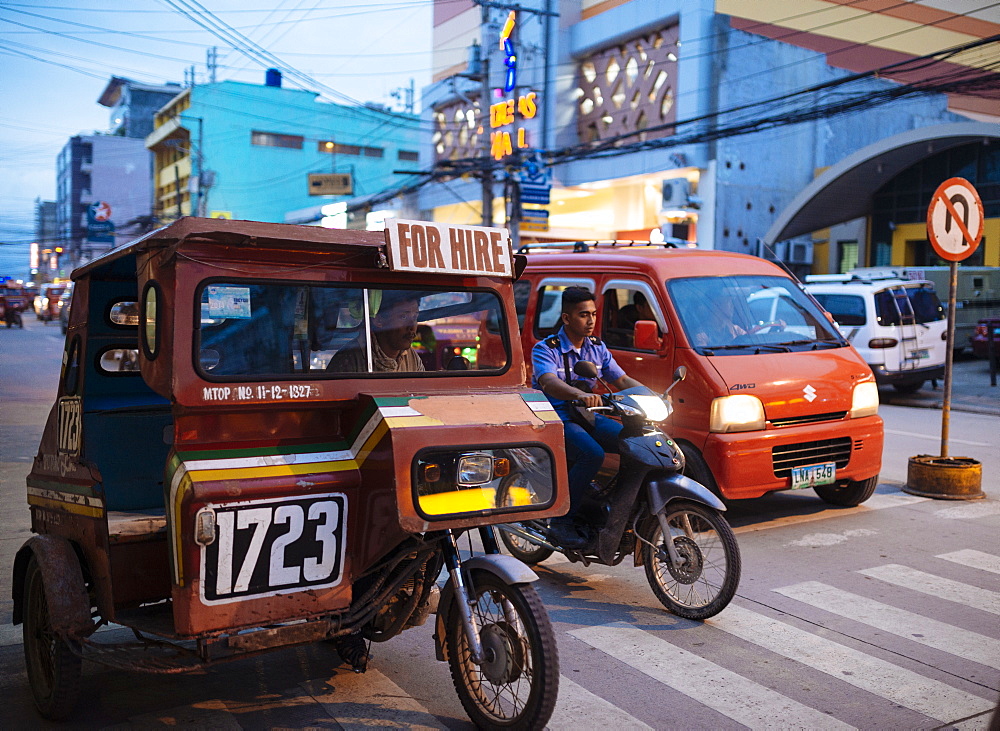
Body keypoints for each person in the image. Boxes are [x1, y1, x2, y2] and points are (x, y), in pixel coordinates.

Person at [532, 286, 647, 549]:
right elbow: (548, 381)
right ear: (566, 318)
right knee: (591, 454)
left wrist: (652, 396)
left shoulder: (597, 348)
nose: (591, 320)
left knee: (635, 442)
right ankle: (561, 521)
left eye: (593, 314)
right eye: (584, 315)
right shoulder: (545, 349)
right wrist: (577, 394)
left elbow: (620, 378)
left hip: (589, 416)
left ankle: (615, 505)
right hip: (556, 417)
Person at [328, 290, 425, 373]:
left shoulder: (412, 358)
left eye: (415, 317)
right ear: (378, 320)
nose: (412, 326)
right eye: (403, 317)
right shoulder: (349, 360)